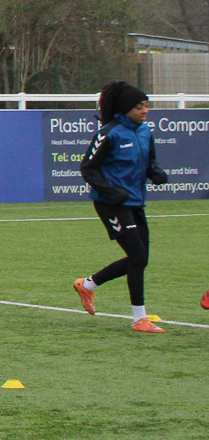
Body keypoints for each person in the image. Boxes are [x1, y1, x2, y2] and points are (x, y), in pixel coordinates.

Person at [73, 81, 168, 332]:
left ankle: (87, 285)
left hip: (135, 202)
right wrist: (111, 191)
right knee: (137, 256)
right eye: (139, 107)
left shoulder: (145, 132)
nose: (145, 111)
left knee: (140, 258)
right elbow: (87, 168)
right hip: (111, 204)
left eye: (146, 105)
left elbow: (151, 162)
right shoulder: (109, 133)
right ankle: (139, 319)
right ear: (125, 109)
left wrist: (156, 173)